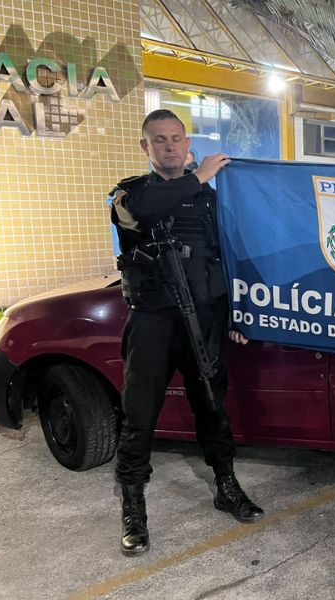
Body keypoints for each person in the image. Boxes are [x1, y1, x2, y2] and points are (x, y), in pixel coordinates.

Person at [109, 109, 263, 557]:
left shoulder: (211, 199)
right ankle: (134, 508)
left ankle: (226, 485)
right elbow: (141, 213)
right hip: (154, 322)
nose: (170, 146)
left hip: (205, 318)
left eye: (176, 138)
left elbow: (230, 254)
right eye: (159, 140)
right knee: (139, 416)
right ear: (146, 147)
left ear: (187, 142)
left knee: (213, 407)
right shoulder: (131, 194)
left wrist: (237, 315)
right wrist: (198, 178)